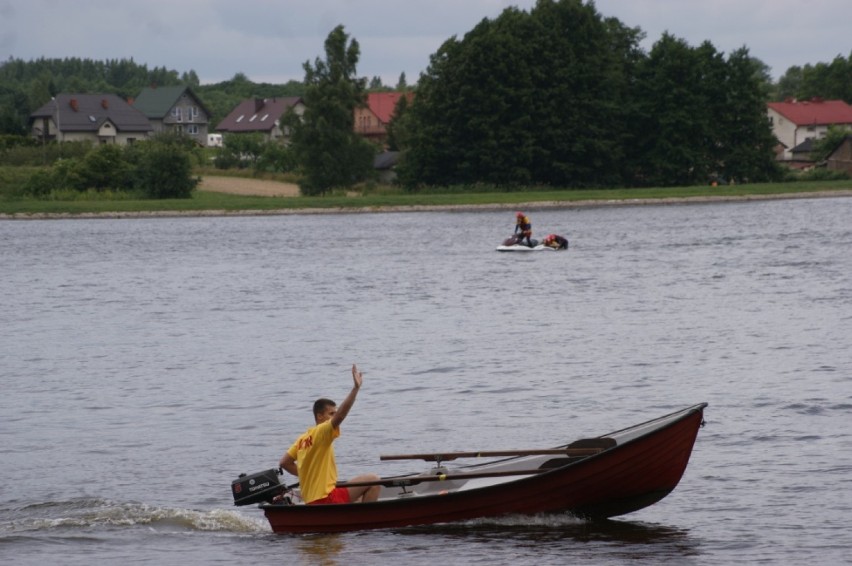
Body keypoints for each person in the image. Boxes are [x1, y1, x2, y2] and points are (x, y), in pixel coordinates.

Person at [279, 364, 381, 505]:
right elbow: (341, 416)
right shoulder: (322, 431)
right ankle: (367, 522)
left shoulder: (302, 439)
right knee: (374, 480)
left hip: (312, 501)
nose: (333, 416)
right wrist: (355, 389)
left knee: (357, 496)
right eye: (331, 413)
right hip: (326, 499)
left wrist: (306, 476)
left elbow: (284, 463)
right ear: (320, 417)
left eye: (334, 413)